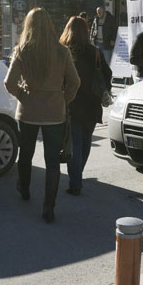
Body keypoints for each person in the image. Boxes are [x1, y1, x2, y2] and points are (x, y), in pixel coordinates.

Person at [4, 8, 81, 223]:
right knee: (52, 161)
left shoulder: (22, 50)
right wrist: (62, 100)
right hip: (55, 112)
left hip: (28, 111)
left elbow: (9, 83)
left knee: (25, 154)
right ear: (49, 25)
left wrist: (23, 95)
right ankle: (49, 207)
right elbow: (75, 83)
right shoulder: (62, 51)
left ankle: (25, 190)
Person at [59, 16, 112, 197]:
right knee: (86, 142)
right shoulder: (95, 51)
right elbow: (108, 73)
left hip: (71, 104)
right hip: (92, 104)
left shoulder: (64, 51)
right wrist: (103, 90)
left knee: (73, 144)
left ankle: (75, 182)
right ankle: (77, 175)